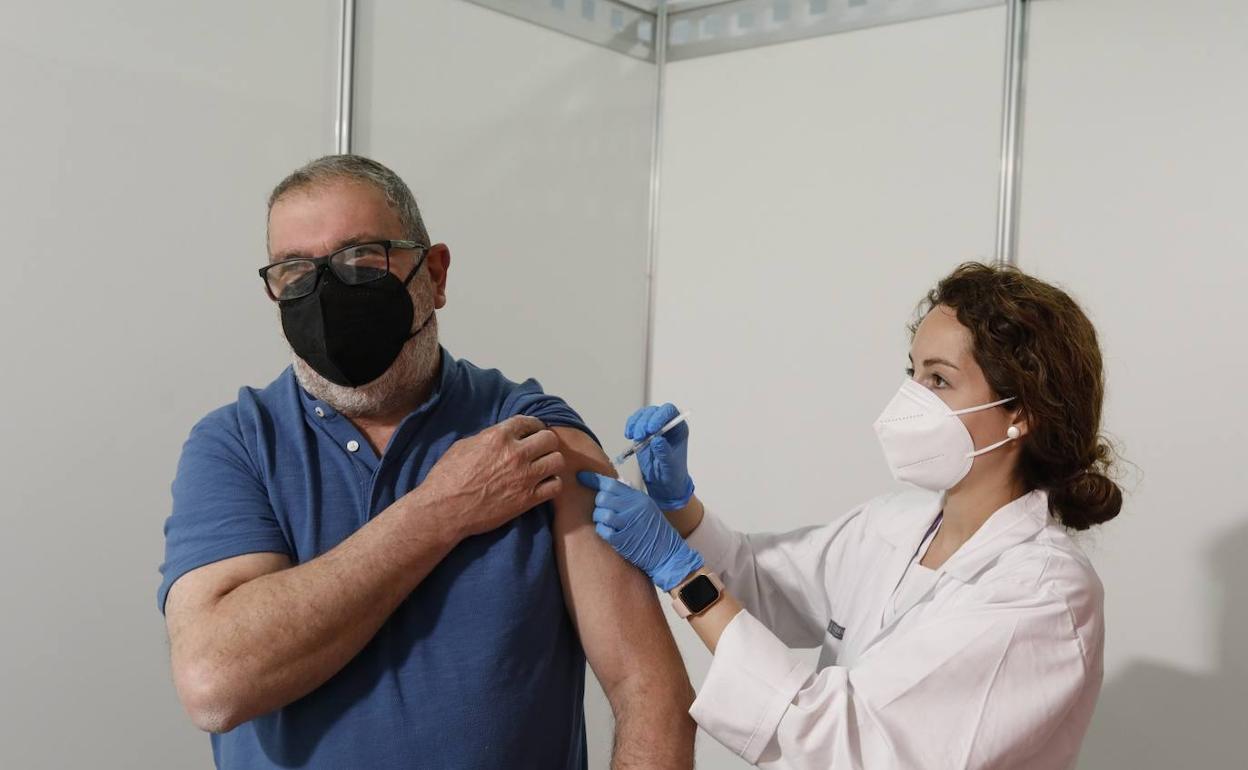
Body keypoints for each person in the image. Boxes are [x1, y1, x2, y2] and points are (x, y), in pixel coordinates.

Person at [157, 155, 695, 769]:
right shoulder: (238, 445)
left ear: (433, 274)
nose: (329, 295)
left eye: (363, 259)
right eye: (296, 273)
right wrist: (442, 509)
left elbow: (650, 689)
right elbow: (213, 682)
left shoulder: (535, 437)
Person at [580, 262, 1120, 769]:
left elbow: (845, 737)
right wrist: (680, 507)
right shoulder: (893, 525)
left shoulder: (1044, 592)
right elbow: (761, 583)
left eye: (938, 380)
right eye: (912, 373)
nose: (909, 400)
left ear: (1021, 412)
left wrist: (683, 575)